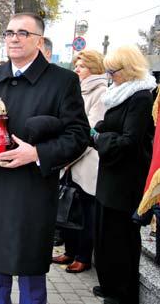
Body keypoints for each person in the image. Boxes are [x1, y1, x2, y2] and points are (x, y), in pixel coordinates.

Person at [0, 12, 89, 304]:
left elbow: (79, 135)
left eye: (23, 33)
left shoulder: (62, 81)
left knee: (31, 278)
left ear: (39, 41)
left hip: (31, 194)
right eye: (9, 33)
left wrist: (36, 153)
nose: (14, 38)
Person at [91, 45, 156, 304]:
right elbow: (111, 126)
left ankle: (122, 292)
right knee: (105, 233)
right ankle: (108, 284)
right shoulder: (119, 92)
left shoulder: (141, 96)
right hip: (111, 173)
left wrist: (98, 137)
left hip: (126, 177)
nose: (109, 76)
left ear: (128, 69)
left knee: (121, 237)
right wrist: (101, 131)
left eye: (112, 71)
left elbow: (129, 139)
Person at [51, 50, 107, 273]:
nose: (77, 69)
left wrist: (66, 155)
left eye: (81, 66)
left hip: (85, 161)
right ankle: (70, 250)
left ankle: (83, 256)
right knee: (69, 209)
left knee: (84, 212)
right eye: (76, 65)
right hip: (70, 161)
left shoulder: (100, 93)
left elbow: (88, 131)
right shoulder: (78, 89)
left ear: (93, 68)